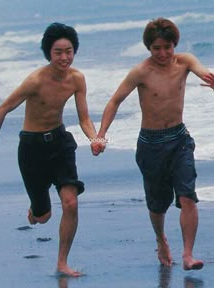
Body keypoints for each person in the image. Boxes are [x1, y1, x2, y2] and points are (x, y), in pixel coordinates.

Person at [91, 17, 214, 270]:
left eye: (167, 47)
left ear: (174, 45)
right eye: (156, 48)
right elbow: (115, 101)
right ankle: (161, 239)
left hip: (179, 139)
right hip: (151, 144)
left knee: (188, 196)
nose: (163, 53)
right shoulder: (141, 72)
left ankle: (188, 255)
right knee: (158, 204)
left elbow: (204, 72)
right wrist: (100, 134)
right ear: (149, 48)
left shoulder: (185, 62)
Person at [0, 22, 98, 277]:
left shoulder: (77, 79)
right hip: (31, 149)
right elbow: (3, 109)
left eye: (69, 51)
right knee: (43, 216)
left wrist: (96, 139)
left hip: (60, 143)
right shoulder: (35, 81)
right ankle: (35, 211)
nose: (64, 57)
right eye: (58, 52)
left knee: (71, 203)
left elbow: (84, 119)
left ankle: (62, 262)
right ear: (48, 54)